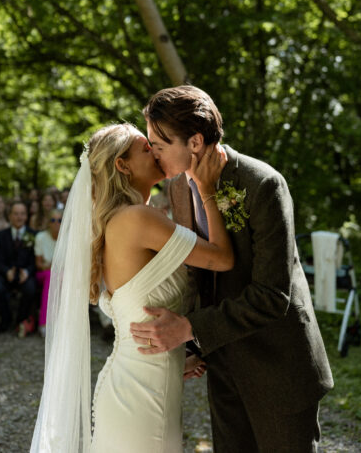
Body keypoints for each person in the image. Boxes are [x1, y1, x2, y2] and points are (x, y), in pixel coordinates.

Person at [130, 85, 334, 453]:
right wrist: (190, 345)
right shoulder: (177, 188)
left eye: (159, 145)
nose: (153, 154)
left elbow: (273, 296)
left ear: (194, 142)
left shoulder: (262, 185)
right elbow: (199, 275)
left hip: (277, 366)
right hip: (223, 363)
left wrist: (189, 327)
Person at [30, 123, 233, 453]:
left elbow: (138, 310)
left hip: (140, 385)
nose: (155, 151)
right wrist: (206, 187)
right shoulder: (136, 219)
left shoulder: (126, 219)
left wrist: (178, 354)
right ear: (122, 165)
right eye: (145, 147)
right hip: (139, 399)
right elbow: (222, 258)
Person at [0, 202, 37, 336]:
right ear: (10, 216)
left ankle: (20, 320)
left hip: (25, 273)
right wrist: (6, 271)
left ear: (26, 216)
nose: (19, 217)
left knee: (30, 289)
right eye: (16, 214)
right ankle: (6, 318)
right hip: (6, 273)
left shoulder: (34, 235)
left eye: (22, 214)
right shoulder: (0, 235)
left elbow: (35, 260)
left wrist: (27, 271)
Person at [34, 209, 62, 337]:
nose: (56, 223)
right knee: (52, 277)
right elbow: (39, 264)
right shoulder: (41, 237)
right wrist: (52, 267)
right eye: (53, 220)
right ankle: (44, 323)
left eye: (59, 220)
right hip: (44, 274)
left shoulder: (68, 239)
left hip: (62, 275)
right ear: (48, 222)